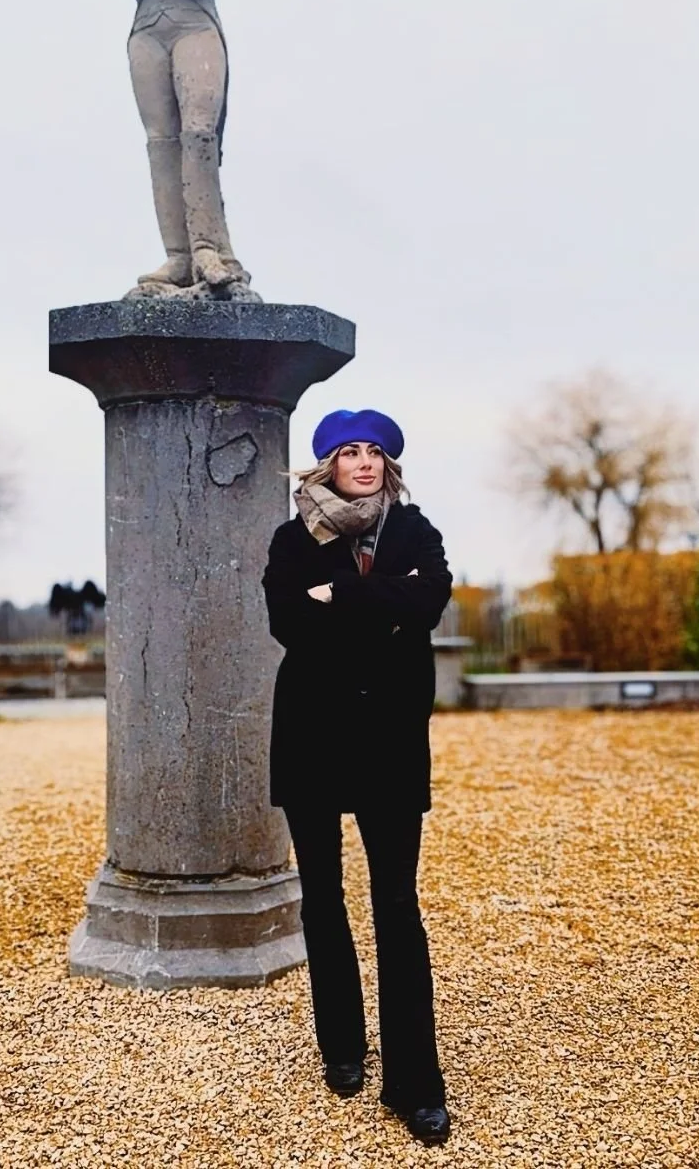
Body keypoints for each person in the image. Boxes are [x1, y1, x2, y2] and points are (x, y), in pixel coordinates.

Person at [261, 409, 453, 1147]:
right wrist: (385, 603)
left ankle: (415, 1083)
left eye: (376, 451)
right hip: (311, 737)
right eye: (350, 451)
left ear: (389, 464)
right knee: (325, 901)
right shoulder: (290, 540)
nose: (365, 462)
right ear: (327, 465)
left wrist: (340, 595)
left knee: (398, 908)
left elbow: (429, 599)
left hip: (392, 742)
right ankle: (342, 1047)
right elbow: (288, 624)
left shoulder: (416, 532)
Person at [99, 0, 252, 296]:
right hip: (147, 36)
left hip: (195, 30)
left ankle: (210, 247)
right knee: (160, 140)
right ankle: (178, 254)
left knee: (199, 132)